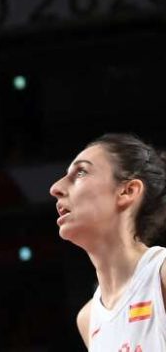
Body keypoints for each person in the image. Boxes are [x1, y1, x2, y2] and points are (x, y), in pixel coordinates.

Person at [50, 133, 166, 351]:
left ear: (127, 191)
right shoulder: (88, 318)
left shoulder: (161, 274)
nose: (55, 188)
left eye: (81, 172)